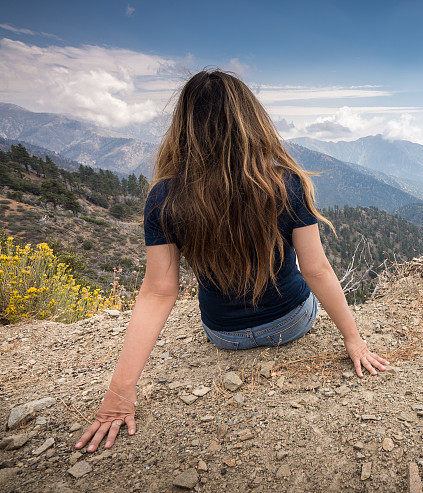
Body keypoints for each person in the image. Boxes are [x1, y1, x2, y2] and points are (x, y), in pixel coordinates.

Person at [75, 69, 389, 453]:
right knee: (302, 287)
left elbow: (158, 293)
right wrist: (353, 341)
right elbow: (316, 270)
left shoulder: (164, 198)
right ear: (252, 121)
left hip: (224, 335)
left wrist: (119, 395)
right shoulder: (287, 183)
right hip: (290, 323)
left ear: (185, 128)